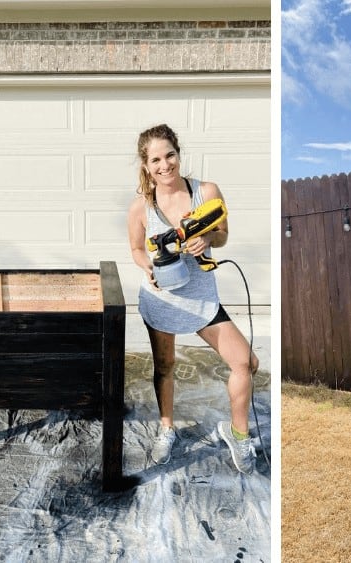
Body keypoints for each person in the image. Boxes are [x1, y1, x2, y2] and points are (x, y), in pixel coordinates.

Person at [127, 123, 259, 474]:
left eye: (169, 155)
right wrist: (148, 269)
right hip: (162, 299)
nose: (164, 165)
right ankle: (166, 428)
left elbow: (223, 234)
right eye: (155, 159)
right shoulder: (142, 206)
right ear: (146, 165)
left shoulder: (207, 191)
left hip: (201, 297)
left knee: (246, 363)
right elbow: (137, 249)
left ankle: (237, 434)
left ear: (179, 155)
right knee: (165, 367)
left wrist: (209, 241)